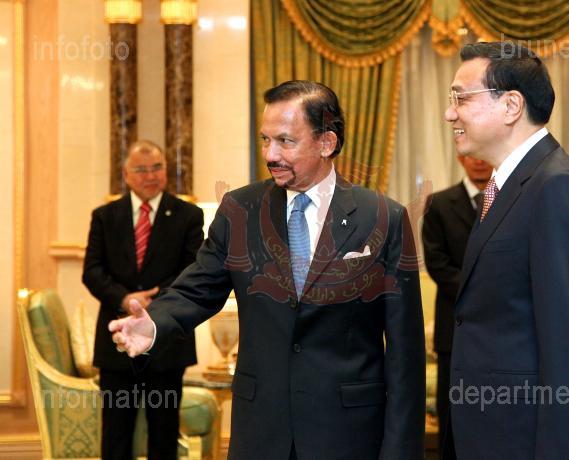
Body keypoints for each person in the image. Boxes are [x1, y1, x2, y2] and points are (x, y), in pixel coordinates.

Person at [109, 80, 426, 460]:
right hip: (261, 432)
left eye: (285, 141)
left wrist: (401, 451)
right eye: (265, 140)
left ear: (327, 142)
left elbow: (405, 352)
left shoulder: (383, 218)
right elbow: (198, 287)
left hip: (348, 434)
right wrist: (155, 323)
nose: (270, 154)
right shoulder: (240, 211)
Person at [443, 41, 569, 459]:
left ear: (511, 106)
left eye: (461, 98)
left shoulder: (558, 186)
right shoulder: (508, 185)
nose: (450, 113)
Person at [82, 140, 204, 460]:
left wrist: (154, 303)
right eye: (141, 169)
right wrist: (125, 299)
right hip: (117, 341)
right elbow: (92, 271)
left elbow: (192, 269)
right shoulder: (105, 216)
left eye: (157, 167)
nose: (150, 175)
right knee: (116, 435)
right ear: (126, 174)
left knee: (163, 433)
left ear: (166, 170)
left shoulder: (188, 215)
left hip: (166, 341)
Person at [422, 154, 492, 458]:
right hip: (454, 328)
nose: (478, 161)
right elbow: (437, 264)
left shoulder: (510, 199)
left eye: (482, 155)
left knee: (494, 414)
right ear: (460, 157)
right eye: (471, 156)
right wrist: (484, 291)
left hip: (499, 327)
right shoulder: (439, 204)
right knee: (453, 415)